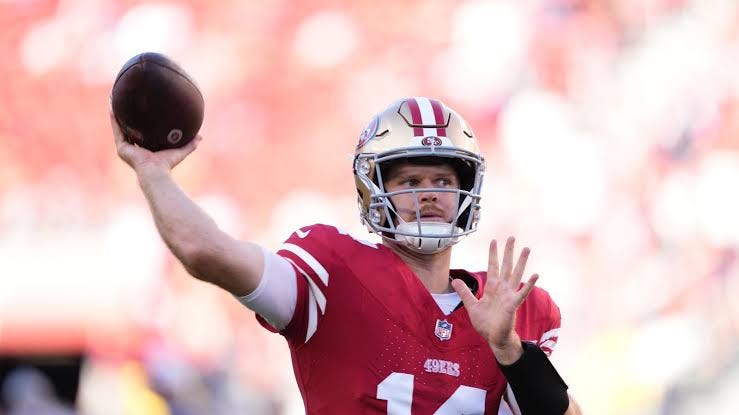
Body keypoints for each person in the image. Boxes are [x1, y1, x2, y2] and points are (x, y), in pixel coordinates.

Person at [111, 97, 582, 414]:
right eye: (410, 182)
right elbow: (205, 252)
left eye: (442, 180)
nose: (429, 194)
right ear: (374, 191)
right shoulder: (334, 271)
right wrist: (154, 174)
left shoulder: (509, 312)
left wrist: (511, 352)